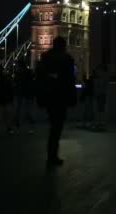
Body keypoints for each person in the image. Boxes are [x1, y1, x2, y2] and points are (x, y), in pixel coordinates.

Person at [35, 36, 77, 167]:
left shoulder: (44, 57)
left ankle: (51, 155)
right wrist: (72, 98)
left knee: (53, 126)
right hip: (61, 97)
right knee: (57, 127)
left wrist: (40, 96)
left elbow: (39, 77)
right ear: (64, 46)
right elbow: (70, 80)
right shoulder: (67, 59)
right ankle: (52, 156)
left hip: (48, 96)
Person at [12, 60, 35, 134]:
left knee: (17, 108)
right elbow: (32, 80)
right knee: (27, 109)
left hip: (19, 92)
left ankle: (16, 122)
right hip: (28, 93)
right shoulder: (29, 72)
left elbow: (15, 81)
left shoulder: (17, 73)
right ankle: (29, 123)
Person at [92, 65, 109, 130]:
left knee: (100, 109)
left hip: (100, 95)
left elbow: (101, 86)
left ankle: (100, 123)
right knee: (100, 109)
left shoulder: (101, 78)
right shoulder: (100, 78)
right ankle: (100, 123)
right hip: (100, 94)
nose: (97, 72)